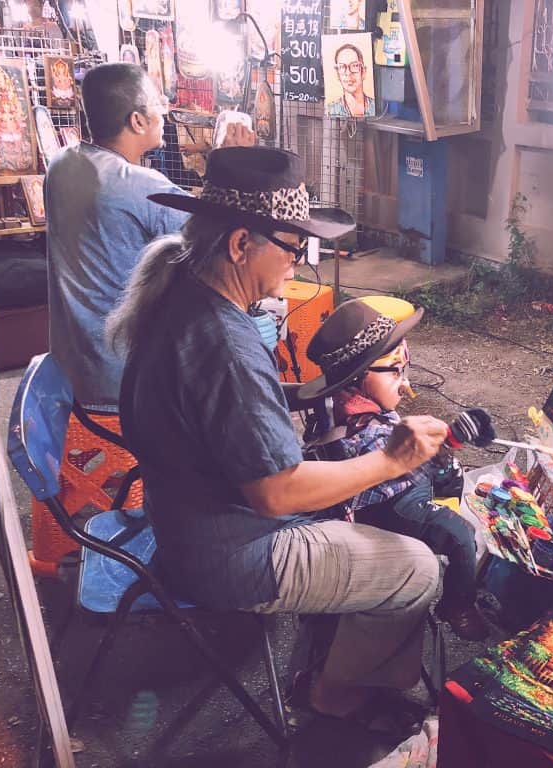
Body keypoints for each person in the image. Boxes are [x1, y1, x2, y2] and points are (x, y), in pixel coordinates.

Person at [106, 146, 448, 728]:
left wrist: (293, 396)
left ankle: (335, 648)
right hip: (232, 554)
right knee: (418, 567)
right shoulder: (225, 343)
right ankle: (333, 695)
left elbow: (216, 413)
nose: (298, 264)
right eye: (293, 248)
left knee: (357, 518)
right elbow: (278, 494)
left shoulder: (180, 295)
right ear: (241, 244)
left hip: (184, 520)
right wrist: (393, 460)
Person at [44, 62, 254, 409]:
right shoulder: (140, 187)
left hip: (70, 371)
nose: (165, 111)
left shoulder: (62, 164)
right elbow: (217, 235)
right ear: (137, 121)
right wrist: (228, 163)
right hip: (122, 378)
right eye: (158, 104)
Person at [299, 299, 491, 641]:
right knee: (462, 534)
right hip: (384, 507)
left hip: (390, 486)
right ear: (356, 378)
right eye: (394, 372)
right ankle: (457, 604)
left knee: (451, 477)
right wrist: (450, 442)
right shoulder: (365, 432)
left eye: (407, 369)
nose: (405, 384)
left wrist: (447, 444)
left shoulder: (343, 405)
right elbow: (403, 468)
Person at [326, 43, 375, 118]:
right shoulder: (331, 110)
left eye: (354, 65)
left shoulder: (375, 107)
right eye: (342, 67)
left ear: (363, 71)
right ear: (337, 74)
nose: (348, 73)